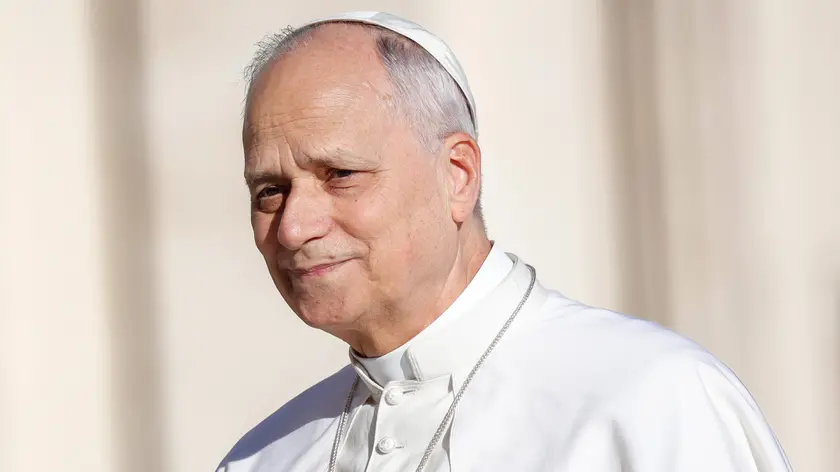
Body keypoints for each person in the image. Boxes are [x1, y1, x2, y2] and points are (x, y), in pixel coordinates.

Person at [217, 11, 792, 472]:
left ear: (457, 176)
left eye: (340, 175)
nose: (294, 227)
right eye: (269, 190)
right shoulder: (264, 457)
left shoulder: (651, 402)